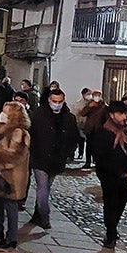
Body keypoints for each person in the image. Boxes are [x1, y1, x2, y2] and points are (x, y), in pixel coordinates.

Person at [92, 102, 127, 248]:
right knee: (111, 203)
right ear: (112, 115)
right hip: (110, 174)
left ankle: (113, 228)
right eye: (120, 114)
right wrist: (115, 169)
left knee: (121, 203)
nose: (123, 117)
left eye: (125, 114)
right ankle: (111, 233)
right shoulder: (103, 132)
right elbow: (100, 156)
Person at [28, 88, 79, 230]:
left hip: (57, 160)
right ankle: (45, 217)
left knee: (46, 188)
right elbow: (31, 134)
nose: (57, 104)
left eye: (59, 101)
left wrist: (68, 153)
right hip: (40, 158)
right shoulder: (39, 114)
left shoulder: (69, 118)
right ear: (49, 100)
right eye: (54, 101)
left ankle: (37, 215)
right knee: (43, 188)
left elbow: (73, 138)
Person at [0, 101, 32, 249]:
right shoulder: (1, 128)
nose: (2, 113)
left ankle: (12, 237)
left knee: (10, 206)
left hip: (12, 176)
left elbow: (14, 156)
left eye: (6, 111)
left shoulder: (19, 133)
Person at [80, 90, 108, 170]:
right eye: (95, 95)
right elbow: (82, 113)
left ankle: (97, 161)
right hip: (90, 128)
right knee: (89, 146)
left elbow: (107, 118)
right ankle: (88, 161)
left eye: (98, 95)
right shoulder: (89, 104)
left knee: (98, 146)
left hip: (99, 129)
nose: (96, 97)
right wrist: (89, 107)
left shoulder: (104, 106)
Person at [70, 87, 93, 160]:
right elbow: (76, 113)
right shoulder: (79, 103)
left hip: (90, 125)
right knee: (81, 140)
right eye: (87, 94)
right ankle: (80, 153)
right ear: (83, 95)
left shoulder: (93, 103)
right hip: (81, 123)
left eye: (90, 94)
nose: (89, 96)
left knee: (91, 142)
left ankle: (90, 157)